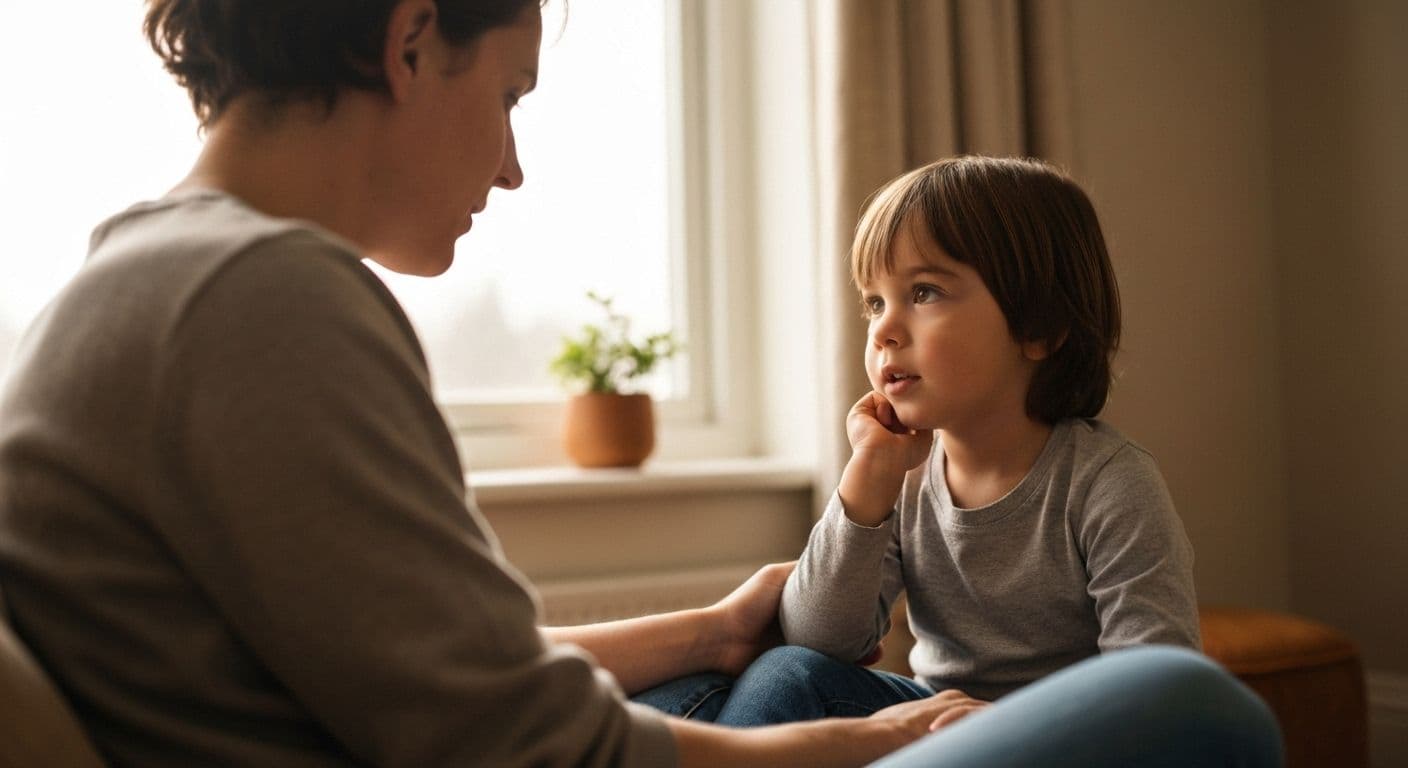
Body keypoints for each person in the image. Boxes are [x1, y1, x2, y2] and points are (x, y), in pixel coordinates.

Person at [0, 2, 1280, 766]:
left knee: (732, 675)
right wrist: (837, 744)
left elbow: (446, 676)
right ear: (407, 42)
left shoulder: (137, 284)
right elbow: (525, 743)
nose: (508, 167)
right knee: (1185, 711)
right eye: (508, 94)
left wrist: (708, 633)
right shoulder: (259, 297)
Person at [634, 156, 1201, 726]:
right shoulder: (903, 476)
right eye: (875, 302)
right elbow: (818, 639)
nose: (883, 329)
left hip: (1059, 740)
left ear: (1039, 329)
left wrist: (1002, 730)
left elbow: (1155, 693)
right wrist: (868, 476)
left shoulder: (1108, 483)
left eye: (924, 292)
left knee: (777, 682)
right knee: (712, 686)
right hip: (936, 725)